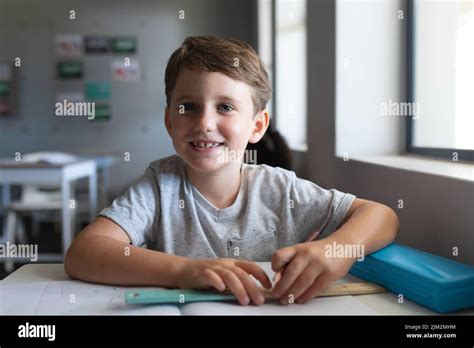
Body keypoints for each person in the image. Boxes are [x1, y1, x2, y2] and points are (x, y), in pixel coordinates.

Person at [65, 35, 399, 306]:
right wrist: (184, 270)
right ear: (169, 119)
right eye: (189, 107)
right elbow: (84, 253)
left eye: (225, 107)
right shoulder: (159, 186)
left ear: (257, 125)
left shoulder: (280, 189)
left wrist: (335, 249)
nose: (205, 123)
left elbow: (382, 216)